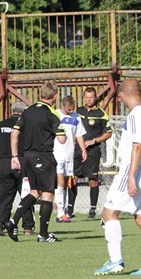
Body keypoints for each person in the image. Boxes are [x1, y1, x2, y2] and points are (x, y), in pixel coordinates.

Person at [94, 78, 141, 276]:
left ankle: (115, 261)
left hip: (135, 169)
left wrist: (131, 175)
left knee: (108, 213)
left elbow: (137, 145)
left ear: (122, 95)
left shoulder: (135, 115)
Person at [5, 81, 66, 243]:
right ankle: (43, 235)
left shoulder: (27, 111)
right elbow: (61, 139)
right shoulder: (52, 114)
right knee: (48, 194)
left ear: (40, 94)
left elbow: (14, 134)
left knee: (35, 191)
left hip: (28, 157)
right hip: (44, 156)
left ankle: (12, 221)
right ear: (55, 96)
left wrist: (14, 157)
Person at [0, 100, 36, 236]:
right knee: (26, 195)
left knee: (4, 196)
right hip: (22, 162)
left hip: (5, 163)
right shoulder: (27, 125)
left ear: (12, 110)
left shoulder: (1, 125)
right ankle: (27, 227)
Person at [72, 87, 113, 219]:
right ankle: (70, 209)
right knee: (73, 178)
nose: (89, 100)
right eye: (87, 97)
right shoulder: (78, 111)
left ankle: (92, 209)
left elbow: (108, 133)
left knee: (93, 180)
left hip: (93, 151)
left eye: (91, 97)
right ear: (84, 98)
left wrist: (94, 140)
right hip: (77, 150)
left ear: (95, 98)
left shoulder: (101, 113)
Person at [54, 95, 87, 223]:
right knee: (60, 182)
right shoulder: (56, 115)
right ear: (63, 106)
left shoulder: (76, 117)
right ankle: (60, 212)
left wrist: (83, 150)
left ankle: (64, 212)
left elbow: (79, 135)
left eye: (73, 109)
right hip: (57, 154)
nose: (71, 111)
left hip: (70, 154)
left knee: (67, 182)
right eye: (69, 109)